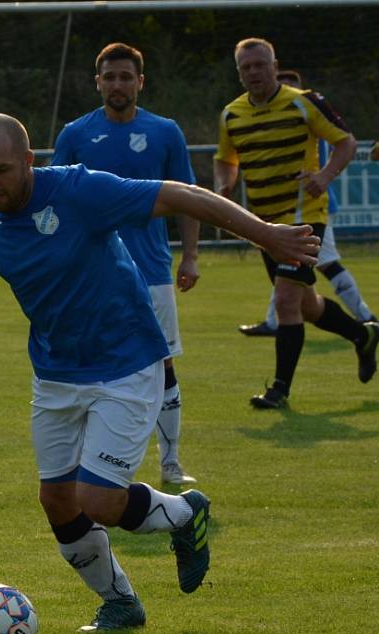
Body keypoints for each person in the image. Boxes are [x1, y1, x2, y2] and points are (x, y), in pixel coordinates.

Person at [0, 113, 320, 631]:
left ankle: (185, 513)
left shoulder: (78, 190)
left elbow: (181, 194)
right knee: (56, 499)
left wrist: (265, 235)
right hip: (55, 371)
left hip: (127, 360)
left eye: (1, 170)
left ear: (30, 160)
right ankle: (119, 601)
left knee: (96, 498)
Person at [51, 42, 199, 486]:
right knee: (87, 364)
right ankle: (87, 463)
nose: (118, 84)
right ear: (97, 82)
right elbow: (55, 200)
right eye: (109, 77)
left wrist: (190, 254)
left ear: (140, 82)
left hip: (152, 271)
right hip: (90, 276)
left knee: (163, 365)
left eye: (125, 77)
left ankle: (171, 463)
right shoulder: (75, 135)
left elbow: (189, 199)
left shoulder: (165, 131)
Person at [214, 38, 379, 409]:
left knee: (286, 299)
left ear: (275, 65)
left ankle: (279, 391)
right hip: (263, 226)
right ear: (239, 73)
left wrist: (324, 176)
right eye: (246, 67)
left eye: (260, 65)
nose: (254, 72)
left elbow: (346, 143)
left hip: (304, 220)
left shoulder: (304, 101)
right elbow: (226, 159)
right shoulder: (231, 115)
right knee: (306, 305)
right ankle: (363, 335)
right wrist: (224, 186)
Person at [238, 68, 376, 336]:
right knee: (288, 273)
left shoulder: (308, 113)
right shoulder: (273, 116)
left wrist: (323, 177)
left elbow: (344, 145)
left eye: (291, 86)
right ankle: (276, 321)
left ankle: (366, 318)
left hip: (312, 207)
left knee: (323, 266)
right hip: (285, 210)